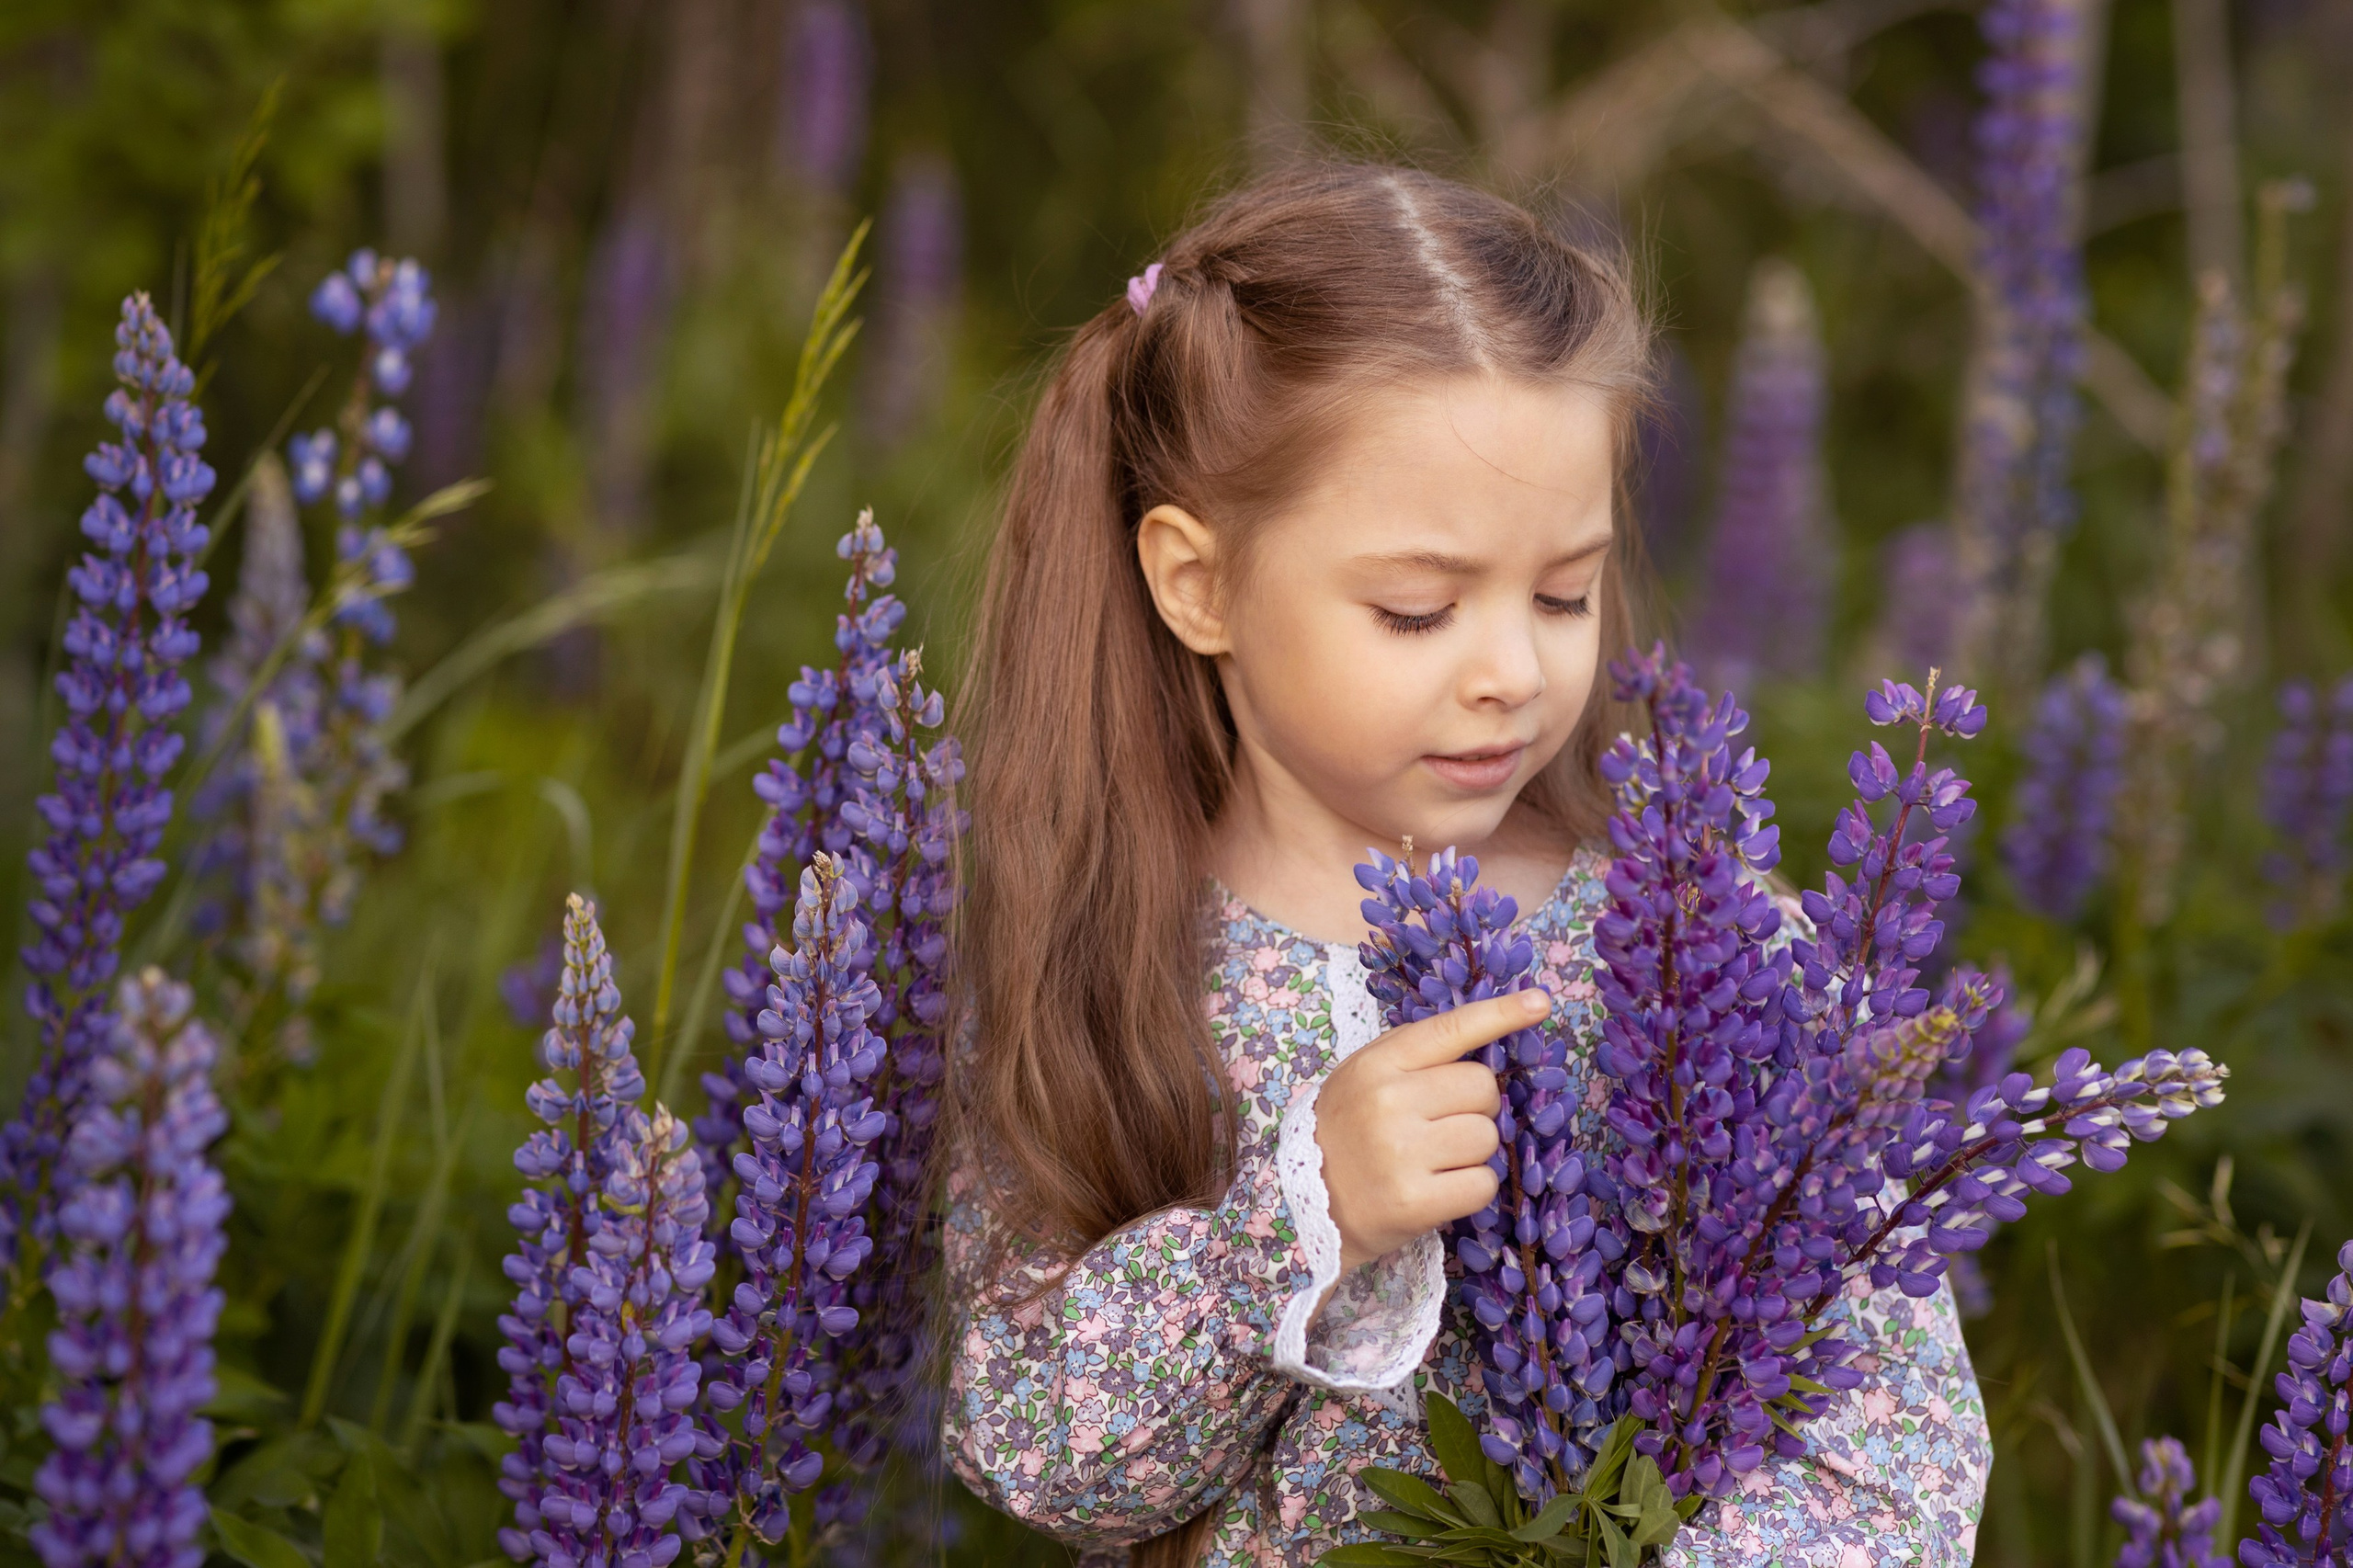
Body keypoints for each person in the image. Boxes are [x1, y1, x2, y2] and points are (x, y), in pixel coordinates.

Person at [944, 162, 1990, 1568]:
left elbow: (1899, 1439)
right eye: (1419, 610)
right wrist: (1300, 1225)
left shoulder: (1708, 951)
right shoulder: (1112, 961)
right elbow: (1035, 1452)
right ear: (1198, 582)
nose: (1512, 669)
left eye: (1565, 592)